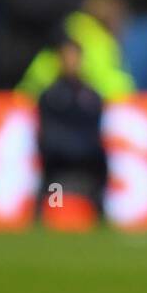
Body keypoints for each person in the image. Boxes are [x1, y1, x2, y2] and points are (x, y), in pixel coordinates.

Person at [35, 38, 107, 223]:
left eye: (75, 57)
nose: (71, 61)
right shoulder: (50, 97)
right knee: (55, 201)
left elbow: (94, 131)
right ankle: (51, 216)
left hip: (86, 160)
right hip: (58, 162)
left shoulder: (91, 97)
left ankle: (100, 213)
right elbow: (48, 134)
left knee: (100, 163)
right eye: (67, 56)